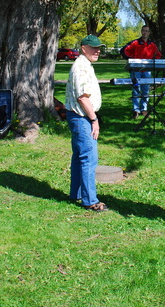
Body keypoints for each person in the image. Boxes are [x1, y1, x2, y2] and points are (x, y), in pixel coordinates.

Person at [64, 34, 108, 211]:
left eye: (99, 48)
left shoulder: (85, 64)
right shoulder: (80, 67)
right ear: (83, 48)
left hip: (79, 116)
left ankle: (76, 193)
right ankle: (90, 200)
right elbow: (82, 98)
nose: (97, 51)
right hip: (81, 117)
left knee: (79, 156)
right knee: (89, 158)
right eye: (94, 48)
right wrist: (94, 119)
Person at [121, 25, 162, 118]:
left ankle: (144, 109)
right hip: (136, 70)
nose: (145, 32)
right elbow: (124, 51)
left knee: (146, 90)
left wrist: (152, 62)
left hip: (147, 71)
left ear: (149, 33)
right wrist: (131, 60)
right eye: (143, 30)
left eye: (147, 31)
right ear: (141, 31)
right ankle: (136, 110)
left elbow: (158, 55)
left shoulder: (152, 45)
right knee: (136, 90)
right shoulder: (135, 43)